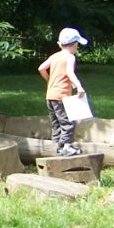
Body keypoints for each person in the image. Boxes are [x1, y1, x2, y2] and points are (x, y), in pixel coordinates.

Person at [38, 27, 88, 157]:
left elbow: (41, 68)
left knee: (56, 123)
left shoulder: (54, 56)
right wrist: (79, 86)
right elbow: (70, 73)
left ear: (60, 44)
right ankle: (66, 147)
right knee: (67, 122)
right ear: (76, 44)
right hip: (61, 96)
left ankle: (57, 147)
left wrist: (49, 80)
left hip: (50, 96)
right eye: (78, 44)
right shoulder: (69, 57)